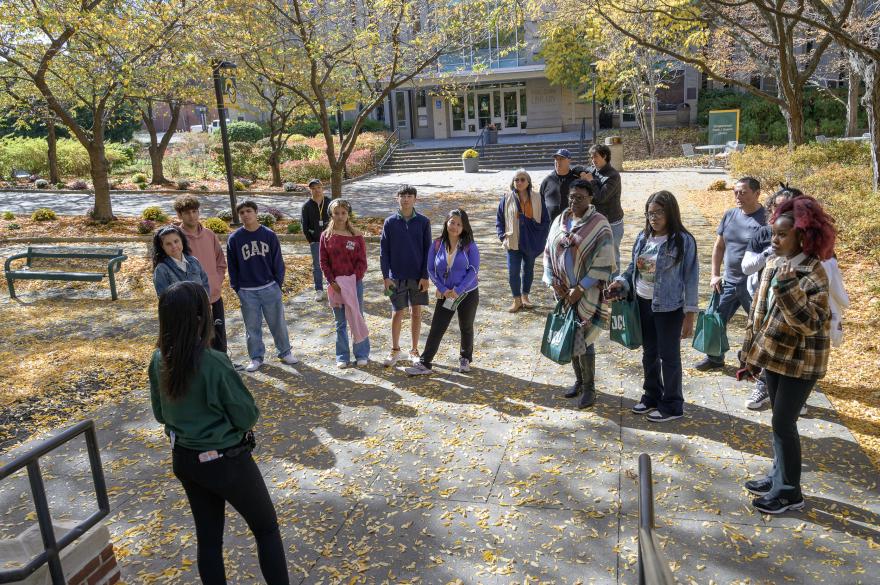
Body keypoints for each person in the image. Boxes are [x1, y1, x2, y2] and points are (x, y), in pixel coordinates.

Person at [148, 281, 289, 585]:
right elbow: (246, 414)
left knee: (209, 540)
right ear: (200, 318)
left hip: (185, 459)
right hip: (226, 461)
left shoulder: (159, 359)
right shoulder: (213, 362)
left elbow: (160, 413)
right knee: (266, 529)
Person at [740, 196, 836, 514]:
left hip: (802, 362)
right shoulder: (773, 264)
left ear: (802, 236)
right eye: (774, 234)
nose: (775, 240)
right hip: (774, 357)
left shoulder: (813, 271)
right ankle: (777, 476)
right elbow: (759, 312)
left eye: (782, 234)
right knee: (778, 421)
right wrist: (748, 351)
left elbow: (809, 323)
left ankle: (791, 492)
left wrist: (786, 286)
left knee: (784, 422)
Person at [608, 191, 699, 422]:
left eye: (659, 212)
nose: (654, 218)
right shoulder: (643, 238)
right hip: (642, 303)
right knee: (649, 354)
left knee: (669, 357)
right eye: (650, 213)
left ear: (671, 213)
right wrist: (620, 281)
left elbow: (691, 278)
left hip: (669, 308)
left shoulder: (683, 241)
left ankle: (672, 405)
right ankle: (652, 395)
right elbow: (633, 269)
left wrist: (690, 314)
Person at [543, 179, 616, 408]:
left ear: (591, 198)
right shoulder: (560, 219)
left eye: (580, 198)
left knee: (585, 339)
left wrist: (581, 287)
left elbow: (604, 262)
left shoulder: (599, 224)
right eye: (572, 196)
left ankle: (590, 388)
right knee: (568, 334)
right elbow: (548, 250)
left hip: (586, 292)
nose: (574, 201)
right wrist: (554, 282)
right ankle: (578, 380)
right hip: (563, 292)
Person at [694, 176, 767, 371]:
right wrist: (715, 274)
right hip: (728, 281)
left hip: (753, 284)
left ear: (757, 193)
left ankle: (754, 362)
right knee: (716, 319)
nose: (738, 196)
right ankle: (715, 358)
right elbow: (719, 247)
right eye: (735, 192)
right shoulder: (730, 215)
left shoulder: (766, 220)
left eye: (743, 192)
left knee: (759, 325)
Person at [740, 186, 802, 410]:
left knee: (791, 349)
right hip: (763, 301)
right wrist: (769, 252)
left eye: (787, 207)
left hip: (796, 304)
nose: (780, 211)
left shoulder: (809, 239)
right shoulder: (764, 234)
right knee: (767, 346)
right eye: (776, 206)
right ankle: (764, 388)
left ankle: (791, 397)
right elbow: (746, 267)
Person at [406, 209, 480, 375]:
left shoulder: (469, 246)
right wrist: (443, 289)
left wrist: (458, 289)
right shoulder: (437, 244)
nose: (454, 226)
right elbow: (430, 269)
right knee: (437, 327)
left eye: (459, 224)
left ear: (464, 227)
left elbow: (474, 270)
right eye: (452, 222)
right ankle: (425, 363)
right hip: (446, 295)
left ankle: (465, 358)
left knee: (466, 326)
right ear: (446, 222)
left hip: (467, 293)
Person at [226, 201, 299, 372]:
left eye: (249, 211)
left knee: (278, 323)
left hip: (269, 287)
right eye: (242, 212)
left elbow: (278, 262)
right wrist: (237, 287)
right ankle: (256, 357)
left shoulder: (268, 235)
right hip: (247, 291)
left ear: (256, 212)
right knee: (252, 327)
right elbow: (232, 265)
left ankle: (285, 352)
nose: (245, 214)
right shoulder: (235, 238)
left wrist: (276, 284)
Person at [379, 184, 432, 367]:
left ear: (415, 199)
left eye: (410, 195)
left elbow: (428, 251)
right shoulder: (390, 222)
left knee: (416, 312)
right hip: (396, 277)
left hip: (417, 277)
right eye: (402, 195)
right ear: (397, 198)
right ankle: (395, 349)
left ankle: (414, 349)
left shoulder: (423, 222)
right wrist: (386, 276)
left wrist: (426, 276)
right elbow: (384, 252)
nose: (406, 198)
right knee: (397, 312)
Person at [319, 199, 370, 368]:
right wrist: (332, 281)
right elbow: (323, 261)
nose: (340, 216)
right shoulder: (326, 236)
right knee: (340, 322)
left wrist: (353, 280)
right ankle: (342, 356)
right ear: (331, 215)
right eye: (336, 213)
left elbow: (362, 261)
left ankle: (362, 353)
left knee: (356, 316)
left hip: (354, 284)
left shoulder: (357, 236)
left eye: (343, 213)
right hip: (335, 286)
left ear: (348, 214)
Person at [174, 195, 229, 352]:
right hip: (192, 298)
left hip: (214, 294)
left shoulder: (210, 235)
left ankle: (222, 365)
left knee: (218, 334)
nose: (192, 216)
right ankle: (202, 369)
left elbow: (220, 261)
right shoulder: (176, 238)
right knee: (197, 336)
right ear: (179, 215)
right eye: (186, 213)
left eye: (194, 211)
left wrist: (216, 281)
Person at [496, 169, 550, 313]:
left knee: (528, 270)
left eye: (522, 179)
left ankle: (525, 296)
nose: (519, 182)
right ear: (513, 183)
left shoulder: (538, 197)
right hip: (513, 241)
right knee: (513, 272)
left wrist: (541, 236)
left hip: (531, 241)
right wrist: (503, 236)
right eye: (516, 180)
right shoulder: (506, 199)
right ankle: (516, 300)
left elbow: (545, 219)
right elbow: (499, 220)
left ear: (528, 182)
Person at [583, 144, 624, 275]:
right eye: (591, 157)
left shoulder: (613, 176)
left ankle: (614, 289)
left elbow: (601, 197)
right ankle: (600, 287)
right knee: (597, 256)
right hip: (595, 222)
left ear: (604, 156)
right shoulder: (593, 171)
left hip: (612, 223)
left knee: (613, 257)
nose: (592, 160)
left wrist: (591, 182)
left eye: (595, 156)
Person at [152, 225, 210, 298]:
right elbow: (164, 299)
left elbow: (205, 285)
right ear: (162, 247)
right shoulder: (161, 270)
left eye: (176, 241)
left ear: (182, 240)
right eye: (168, 244)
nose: (174, 246)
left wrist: (205, 305)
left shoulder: (194, 261)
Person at [301, 178, 331, 302]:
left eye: (318, 187)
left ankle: (332, 287)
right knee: (317, 266)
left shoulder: (329, 202)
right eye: (313, 188)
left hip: (330, 239)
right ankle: (319, 290)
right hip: (316, 241)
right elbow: (304, 224)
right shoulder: (306, 206)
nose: (316, 190)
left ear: (322, 188)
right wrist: (311, 239)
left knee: (332, 264)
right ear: (310, 190)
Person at [539, 148, 587, 221]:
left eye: (561, 159)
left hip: (572, 225)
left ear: (569, 161)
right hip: (550, 227)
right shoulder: (547, 181)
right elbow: (540, 203)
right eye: (556, 159)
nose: (558, 161)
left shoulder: (576, 181)